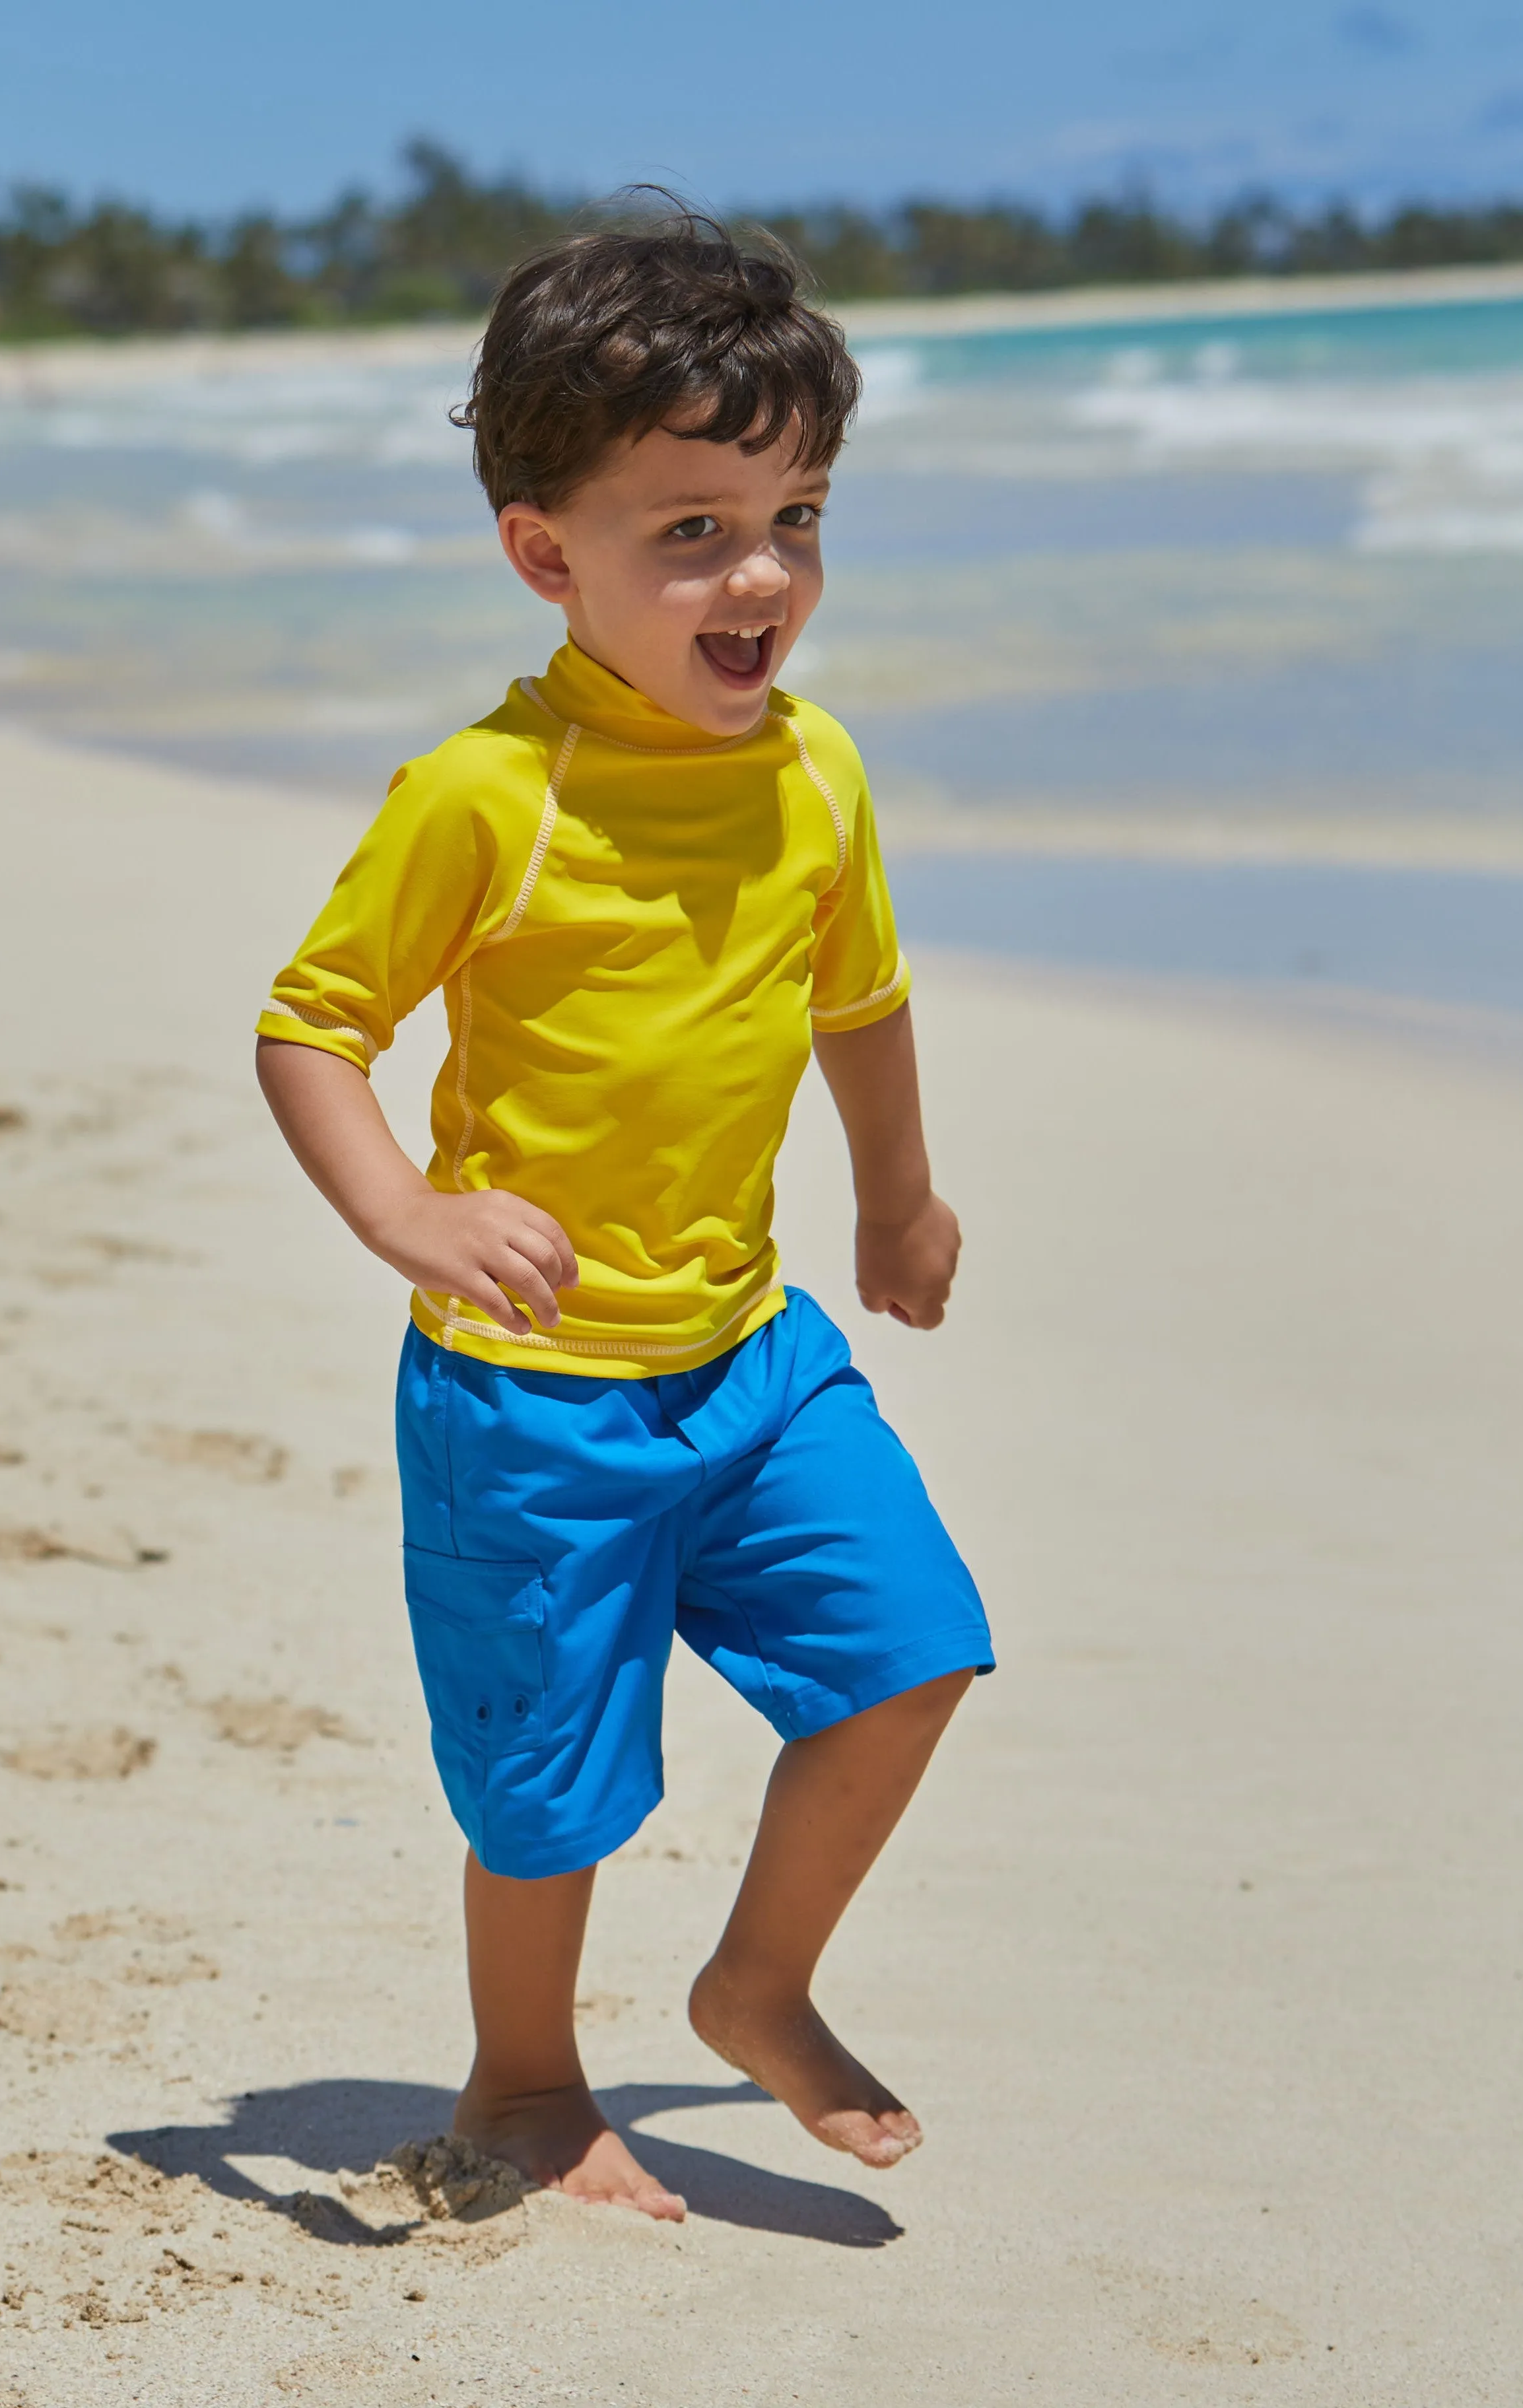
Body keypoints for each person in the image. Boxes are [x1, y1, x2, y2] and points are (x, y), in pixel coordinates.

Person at [255, 212, 994, 2222]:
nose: (761, 576)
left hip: (750, 1359)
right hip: (531, 1401)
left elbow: (860, 998)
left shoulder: (816, 776)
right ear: (542, 552)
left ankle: (758, 1985)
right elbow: (313, 1027)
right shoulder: (494, 793)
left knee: (915, 1645)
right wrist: (407, 1208)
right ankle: (521, 2081)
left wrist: (900, 1198)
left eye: (797, 515)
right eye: (691, 530)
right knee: (547, 1785)